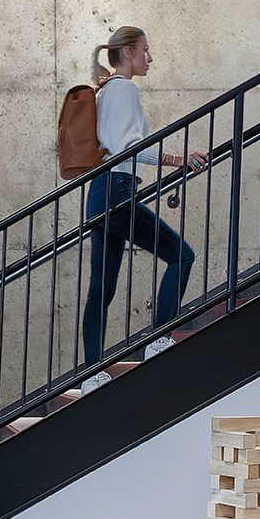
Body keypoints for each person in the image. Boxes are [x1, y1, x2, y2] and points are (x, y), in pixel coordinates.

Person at [81, 26, 210, 375]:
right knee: (182, 255)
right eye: (145, 50)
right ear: (127, 52)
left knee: (101, 291)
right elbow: (128, 147)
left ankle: (93, 375)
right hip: (116, 192)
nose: (149, 57)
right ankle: (159, 338)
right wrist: (178, 159)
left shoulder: (105, 91)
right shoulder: (123, 90)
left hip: (100, 193)